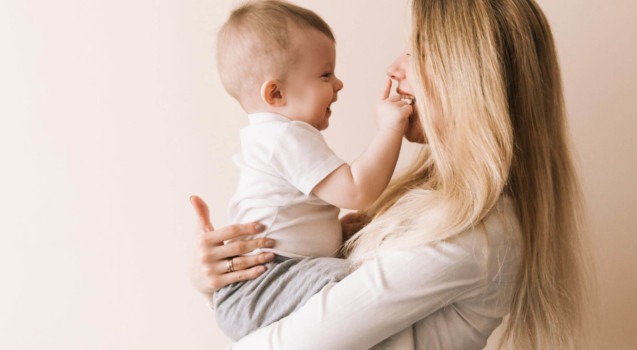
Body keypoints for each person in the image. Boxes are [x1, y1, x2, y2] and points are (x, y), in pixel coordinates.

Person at [189, 0, 590, 349]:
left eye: (416, 51)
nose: (393, 68)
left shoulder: (476, 233)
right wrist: (218, 277)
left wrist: (223, 293)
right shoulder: (433, 200)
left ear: (467, 74)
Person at [209, 0, 412, 341]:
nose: (339, 84)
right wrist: (390, 130)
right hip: (264, 282)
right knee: (366, 281)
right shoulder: (285, 136)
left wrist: (332, 230)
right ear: (275, 93)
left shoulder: (274, 136)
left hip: (265, 280)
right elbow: (357, 191)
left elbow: (301, 213)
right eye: (325, 74)